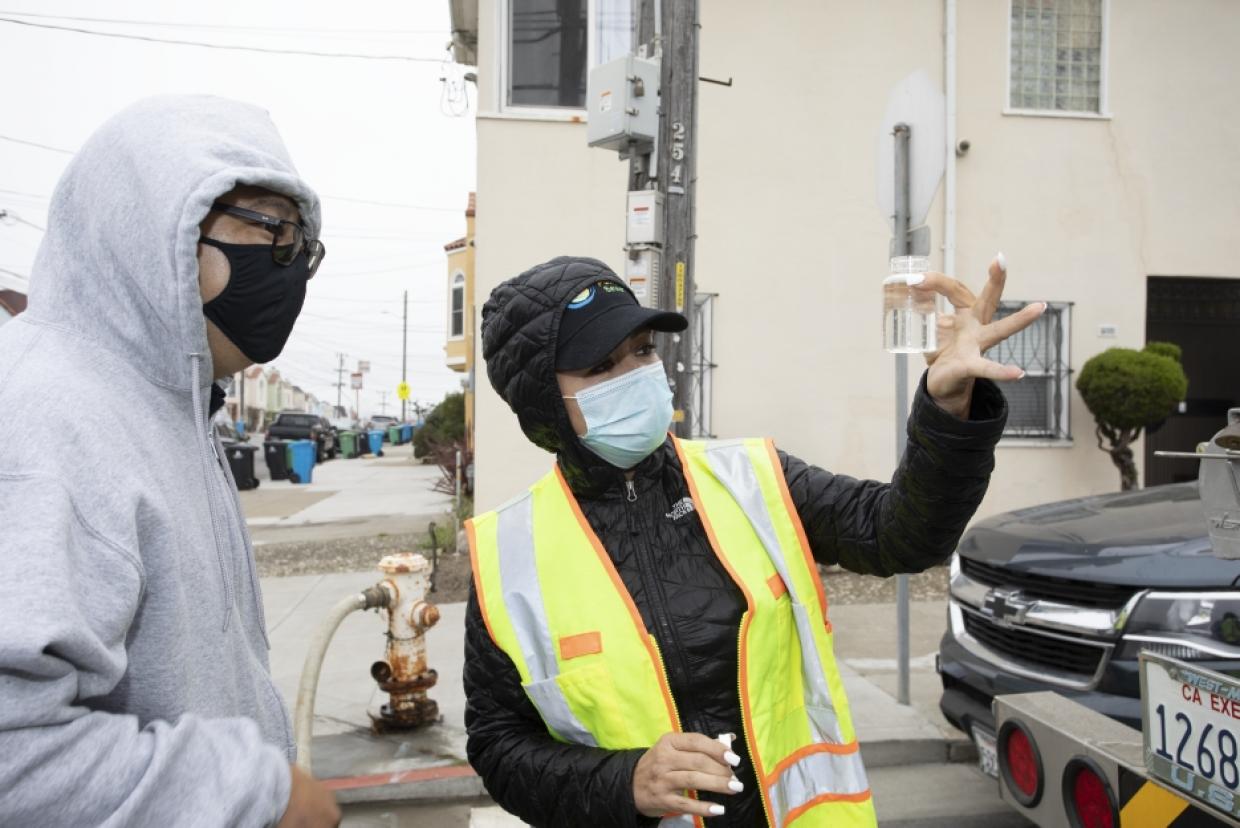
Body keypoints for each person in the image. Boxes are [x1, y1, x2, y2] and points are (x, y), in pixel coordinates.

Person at [464, 256, 1044, 827]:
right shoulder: (507, 553)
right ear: (544, 403)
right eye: (599, 367)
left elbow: (901, 535)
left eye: (642, 350)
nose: (637, 374)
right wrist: (626, 781)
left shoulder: (751, 477)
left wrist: (948, 405)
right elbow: (499, 746)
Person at [0, 96, 339, 826]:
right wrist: (253, 794)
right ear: (154, 226)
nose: (288, 269)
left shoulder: (168, 406)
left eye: (300, 246)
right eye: (269, 228)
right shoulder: (48, 420)